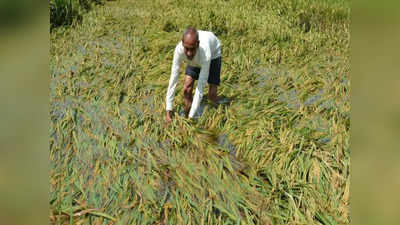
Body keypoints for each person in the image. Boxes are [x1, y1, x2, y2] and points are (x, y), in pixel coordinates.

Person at [165, 27, 222, 123]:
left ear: (197, 44)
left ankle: (213, 117)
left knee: (212, 92)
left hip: (213, 54)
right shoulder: (179, 50)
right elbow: (173, 80)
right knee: (187, 88)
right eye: (186, 48)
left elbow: (200, 88)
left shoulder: (205, 54)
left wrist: (190, 120)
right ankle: (187, 112)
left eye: (192, 49)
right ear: (182, 43)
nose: (189, 53)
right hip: (196, 59)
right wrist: (168, 111)